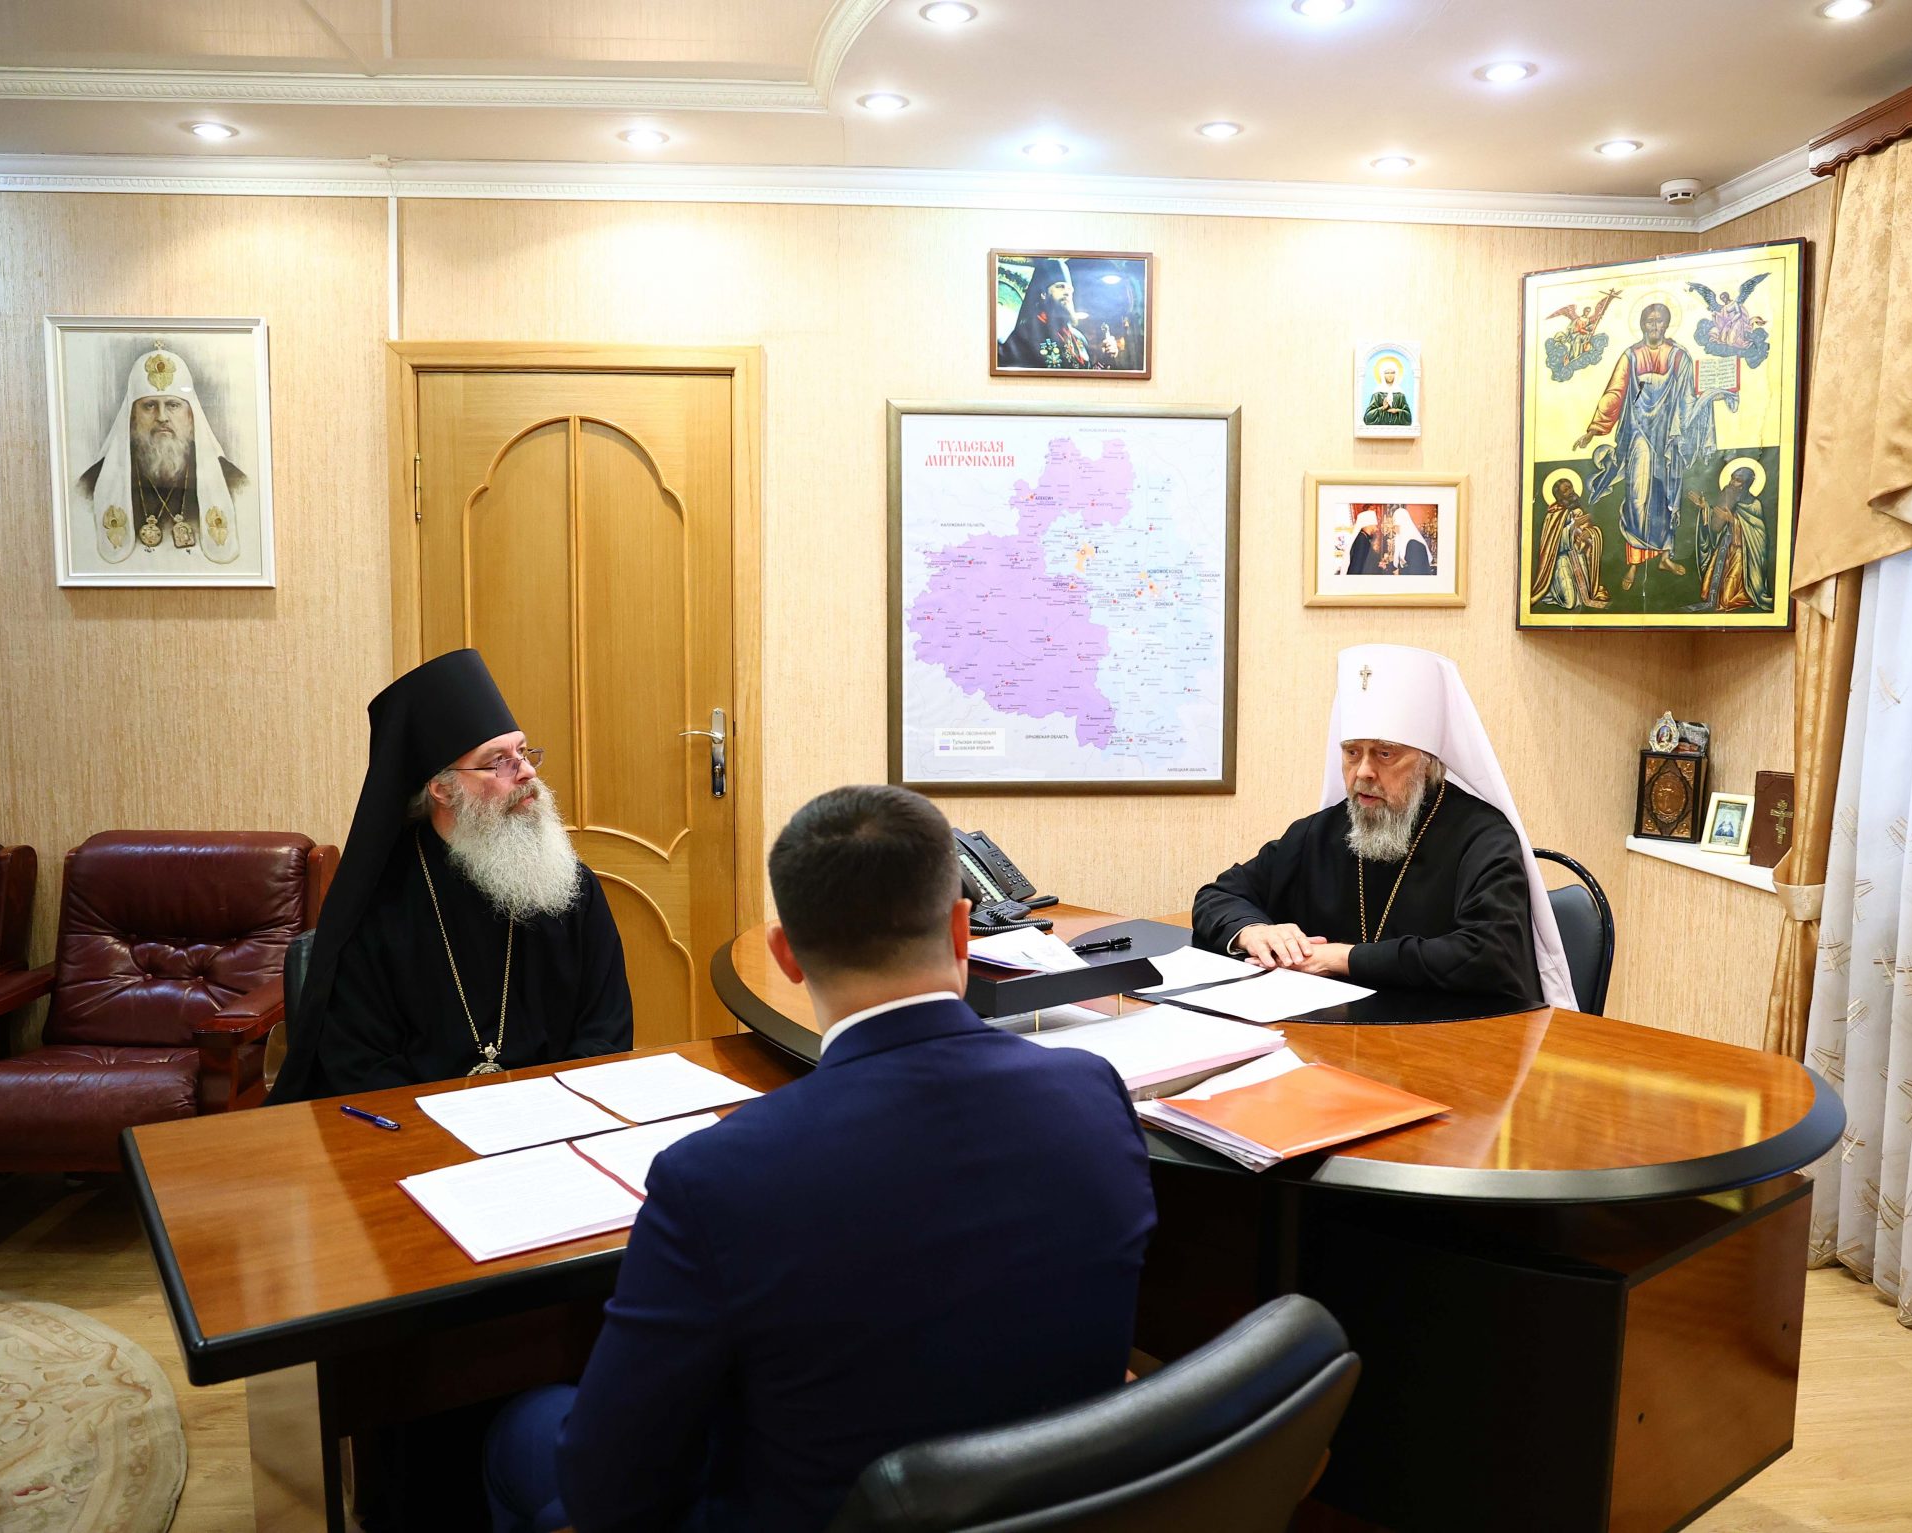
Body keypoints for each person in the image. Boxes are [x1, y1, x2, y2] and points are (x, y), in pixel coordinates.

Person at [483, 784, 1155, 1533]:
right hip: (1060, 1499)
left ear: (786, 956)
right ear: (963, 930)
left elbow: (609, 1493)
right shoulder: (1092, 1092)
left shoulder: (715, 1177)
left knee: (524, 1431)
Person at [268, 649, 633, 1102]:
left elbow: (606, 1031)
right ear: (441, 789)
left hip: (557, 1117)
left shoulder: (569, 887)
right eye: (499, 761)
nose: (527, 772)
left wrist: (553, 1110)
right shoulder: (378, 905)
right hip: (421, 1126)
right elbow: (361, 1065)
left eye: (523, 752)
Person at [1192, 645, 1576, 1016]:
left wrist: (1342, 958)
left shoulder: (1484, 837)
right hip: (1334, 1037)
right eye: (1352, 752)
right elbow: (1218, 895)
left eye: (1385, 753)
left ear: (1427, 762)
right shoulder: (1319, 834)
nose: (1363, 772)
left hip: (1449, 1038)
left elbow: (1487, 954)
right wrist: (1252, 931)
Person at [1570, 301, 1731, 590]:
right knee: (1637, 497)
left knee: (1665, 498)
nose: (1654, 326)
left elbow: (1688, 399)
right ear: (1643, 324)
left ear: (1666, 324)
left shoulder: (1679, 356)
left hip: (1668, 438)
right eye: (1650, 321)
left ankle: (1665, 556)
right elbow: (1615, 392)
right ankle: (1634, 563)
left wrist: (1709, 399)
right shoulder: (1631, 356)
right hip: (1639, 435)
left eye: (1659, 321)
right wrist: (1594, 429)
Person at [76, 345, 249, 565]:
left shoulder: (232, 480)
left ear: (191, 416)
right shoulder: (92, 483)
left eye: (173, 405)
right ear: (132, 418)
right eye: (149, 406)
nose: (162, 417)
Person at [1686, 465, 1773, 612]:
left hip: (1742, 556)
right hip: (1724, 548)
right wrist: (1705, 508)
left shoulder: (1754, 505)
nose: (1732, 482)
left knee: (1727, 599)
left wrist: (1733, 520)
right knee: (1708, 592)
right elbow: (1716, 525)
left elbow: (1759, 535)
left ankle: (1745, 594)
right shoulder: (1728, 497)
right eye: (1732, 478)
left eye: (1738, 480)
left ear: (1746, 484)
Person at [1528, 474, 1609, 610]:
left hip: (1578, 556)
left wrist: (1589, 533)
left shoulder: (1579, 510)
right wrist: (1572, 527)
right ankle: (1551, 593)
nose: (1570, 491)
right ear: (1559, 496)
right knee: (1570, 603)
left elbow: (1590, 536)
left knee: (1584, 597)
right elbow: (1551, 543)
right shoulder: (1553, 514)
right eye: (1565, 490)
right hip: (1560, 560)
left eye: (1570, 487)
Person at [997, 258, 1094, 370]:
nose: (1067, 292)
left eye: (1070, 289)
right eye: (1060, 287)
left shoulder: (1079, 338)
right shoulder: (1024, 334)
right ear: (1043, 294)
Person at [1362, 356, 1412, 427]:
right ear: (1382, 374)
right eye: (1387, 373)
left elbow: (1408, 417)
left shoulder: (1400, 394)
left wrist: (1397, 410)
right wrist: (1382, 408)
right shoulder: (1377, 393)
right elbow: (1367, 417)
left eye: (1392, 372)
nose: (1390, 375)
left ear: (1396, 374)